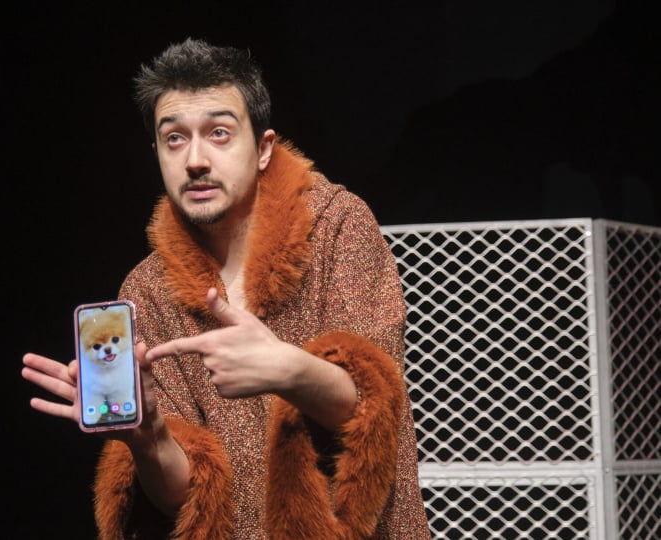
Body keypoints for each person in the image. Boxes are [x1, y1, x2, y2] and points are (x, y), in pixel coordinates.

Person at [22, 37, 430, 539]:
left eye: (219, 133)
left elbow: (376, 408)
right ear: (157, 153)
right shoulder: (147, 289)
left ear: (262, 149)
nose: (195, 159)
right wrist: (148, 439)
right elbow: (184, 497)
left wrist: (290, 370)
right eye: (175, 139)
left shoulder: (336, 225)